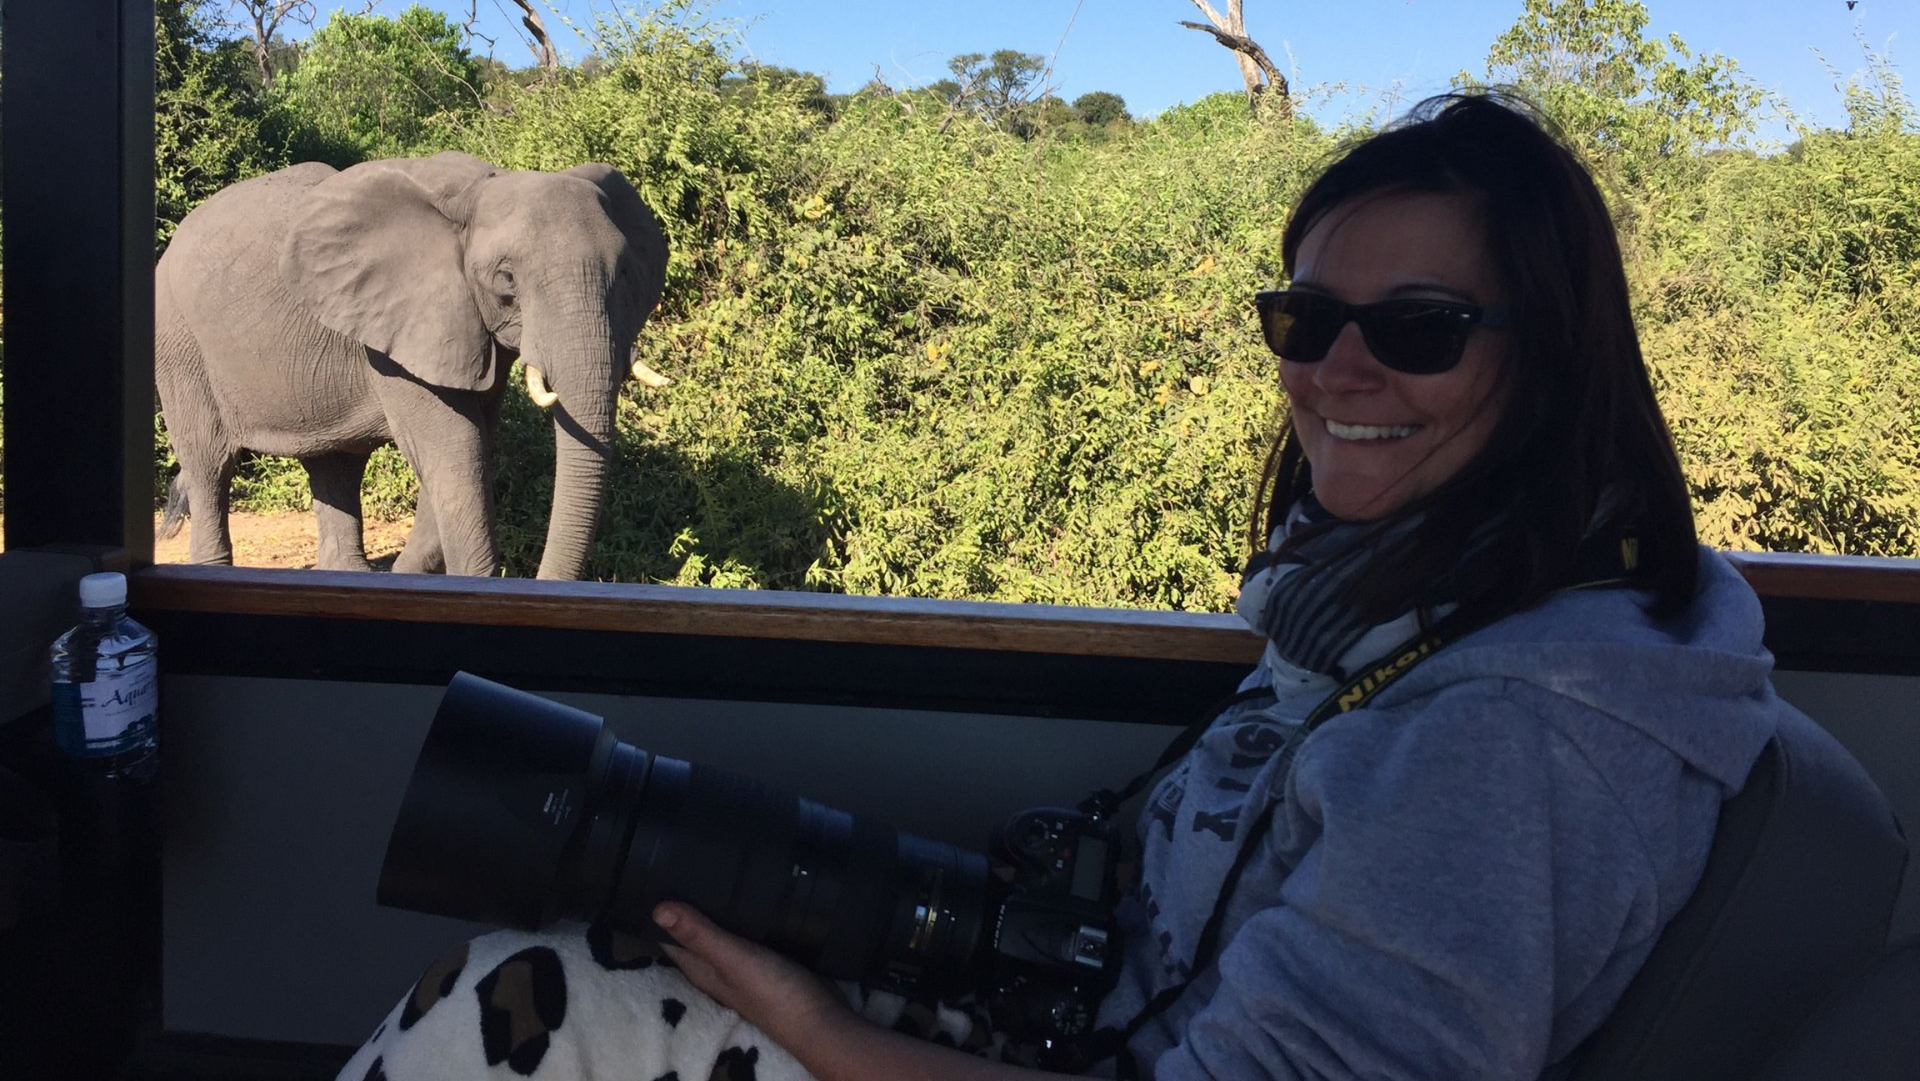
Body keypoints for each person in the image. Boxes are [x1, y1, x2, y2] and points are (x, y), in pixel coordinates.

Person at [340, 92, 1778, 1080]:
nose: (1341, 370)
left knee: (509, 1007)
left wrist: (835, 1040)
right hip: (1088, 1022)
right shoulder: (1403, 610)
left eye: (1420, 329)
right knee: (580, 910)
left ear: (1555, 354)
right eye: (1308, 316)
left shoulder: (1514, 733)